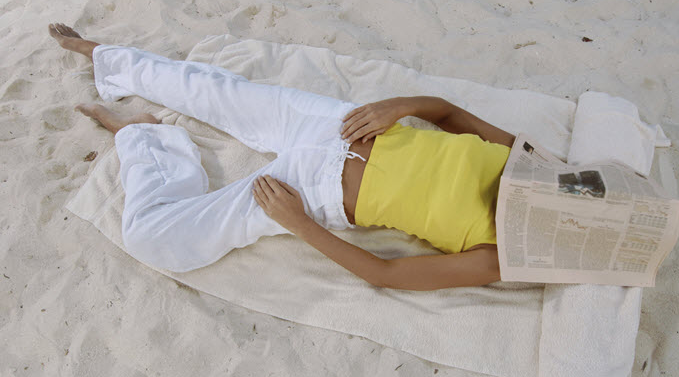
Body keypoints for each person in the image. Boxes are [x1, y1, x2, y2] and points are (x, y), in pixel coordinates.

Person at [49, 23, 515, 291]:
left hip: (312, 190)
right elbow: (449, 113)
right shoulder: (532, 163)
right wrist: (401, 106)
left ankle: (143, 137)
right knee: (212, 91)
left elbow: (385, 273)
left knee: (151, 237)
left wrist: (299, 223)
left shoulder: (499, 258)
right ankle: (102, 56)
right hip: (343, 125)